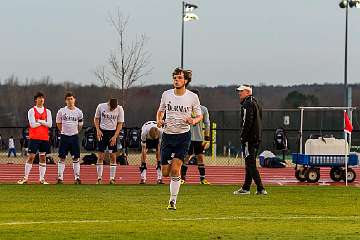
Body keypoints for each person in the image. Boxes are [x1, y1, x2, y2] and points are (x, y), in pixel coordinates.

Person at [156, 68, 203, 210]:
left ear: (186, 81)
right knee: (165, 173)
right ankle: (171, 168)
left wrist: (193, 121)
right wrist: (159, 120)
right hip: (168, 136)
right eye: (175, 78)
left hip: (183, 136)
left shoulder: (192, 97)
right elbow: (160, 111)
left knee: (176, 170)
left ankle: (172, 201)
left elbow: (200, 115)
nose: (177, 80)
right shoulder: (166, 94)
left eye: (180, 78)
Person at [233, 85, 267, 195]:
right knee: (249, 163)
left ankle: (261, 188)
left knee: (250, 163)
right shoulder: (256, 102)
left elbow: (246, 121)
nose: (239, 93)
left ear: (247, 92)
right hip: (257, 137)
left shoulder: (247, 104)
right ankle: (246, 187)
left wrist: (243, 136)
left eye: (241, 91)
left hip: (249, 139)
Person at [17, 92, 52, 184]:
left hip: (44, 138)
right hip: (34, 137)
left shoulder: (47, 111)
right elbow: (32, 125)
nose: (42, 99)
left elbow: (50, 124)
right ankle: (25, 177)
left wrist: (39, 121)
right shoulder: (31, 111)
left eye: (43, 98)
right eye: (39, 98)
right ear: (36, 100)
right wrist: (44, 122)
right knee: (31, 157)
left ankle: (42, 179)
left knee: (43, 157)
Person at [181, 89, 211, 184]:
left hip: (199, 138)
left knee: (200, 158)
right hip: (187, 137)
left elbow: (207, 124)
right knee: (186, 157)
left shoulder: (203, 109)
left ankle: (202, 179)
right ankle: (182, 178)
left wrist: (207, 139)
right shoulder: (185, 108)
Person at [94, 97, 124, 184]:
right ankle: (99, 178)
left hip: (112, 133)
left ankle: (112, 178)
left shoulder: (120, 109)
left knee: (113, 156)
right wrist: (98, 130)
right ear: (108, 104)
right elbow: (96, 118)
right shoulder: (101, 106)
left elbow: (120, 123)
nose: (112, 109)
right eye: (111, 107)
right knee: (100, 156)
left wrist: (115, 136)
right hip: (102, 132)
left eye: (114, 108)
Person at [56, 92, 84, 184]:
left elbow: (80, 125)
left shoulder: (79, 112)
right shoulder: (61, 111)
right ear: (65, 101)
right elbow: (58, 123)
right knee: (62, 157)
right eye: (68, 99)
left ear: (74, 100)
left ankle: (77, 177)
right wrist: (63, 131)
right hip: (64, 137)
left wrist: (75, 132)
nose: (70, 101)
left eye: (71, 99)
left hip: (74, 137)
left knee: (76, 158)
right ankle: (60, 178)